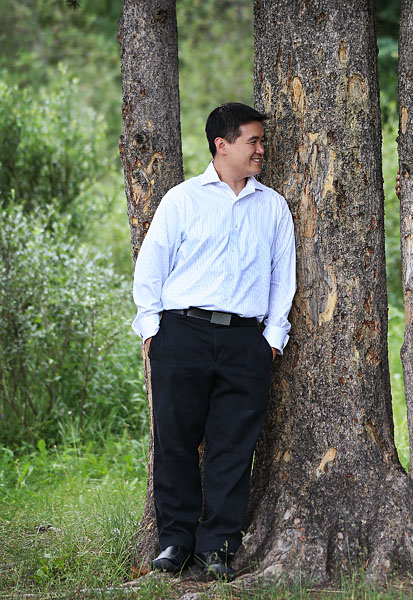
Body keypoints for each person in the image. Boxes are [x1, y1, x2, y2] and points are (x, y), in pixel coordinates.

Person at [132, 102, 296, 579]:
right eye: (254, 141)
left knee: (232, 447)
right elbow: (152, 267)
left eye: (262, 141)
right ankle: (175, 542)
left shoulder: (273, 206)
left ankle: (218, 546)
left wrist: (272, 339)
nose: (262, 149)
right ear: (222, 145)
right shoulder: (182, 200)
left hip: (247, 342)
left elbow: (281, 279)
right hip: (181, 334)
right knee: (176, 442)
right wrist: (152, 332)